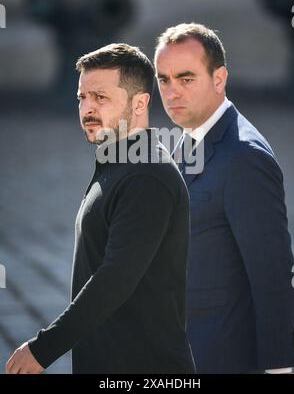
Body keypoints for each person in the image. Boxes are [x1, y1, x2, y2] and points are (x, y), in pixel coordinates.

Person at [6, 43, 195, 374]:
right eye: (82, 97)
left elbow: (115, 278)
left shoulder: (147, 177)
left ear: (140, 103)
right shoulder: (119, 164)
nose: (87, 108)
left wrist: (43, 348)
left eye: (100, 98)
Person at [154, 22, 294, 374]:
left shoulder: (245, 157)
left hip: (222, 358)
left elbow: (274, 275)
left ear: (219, 79)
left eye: (186, 79)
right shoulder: (188, 138)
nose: (172, 92)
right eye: (164, 79)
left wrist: (278, 369)